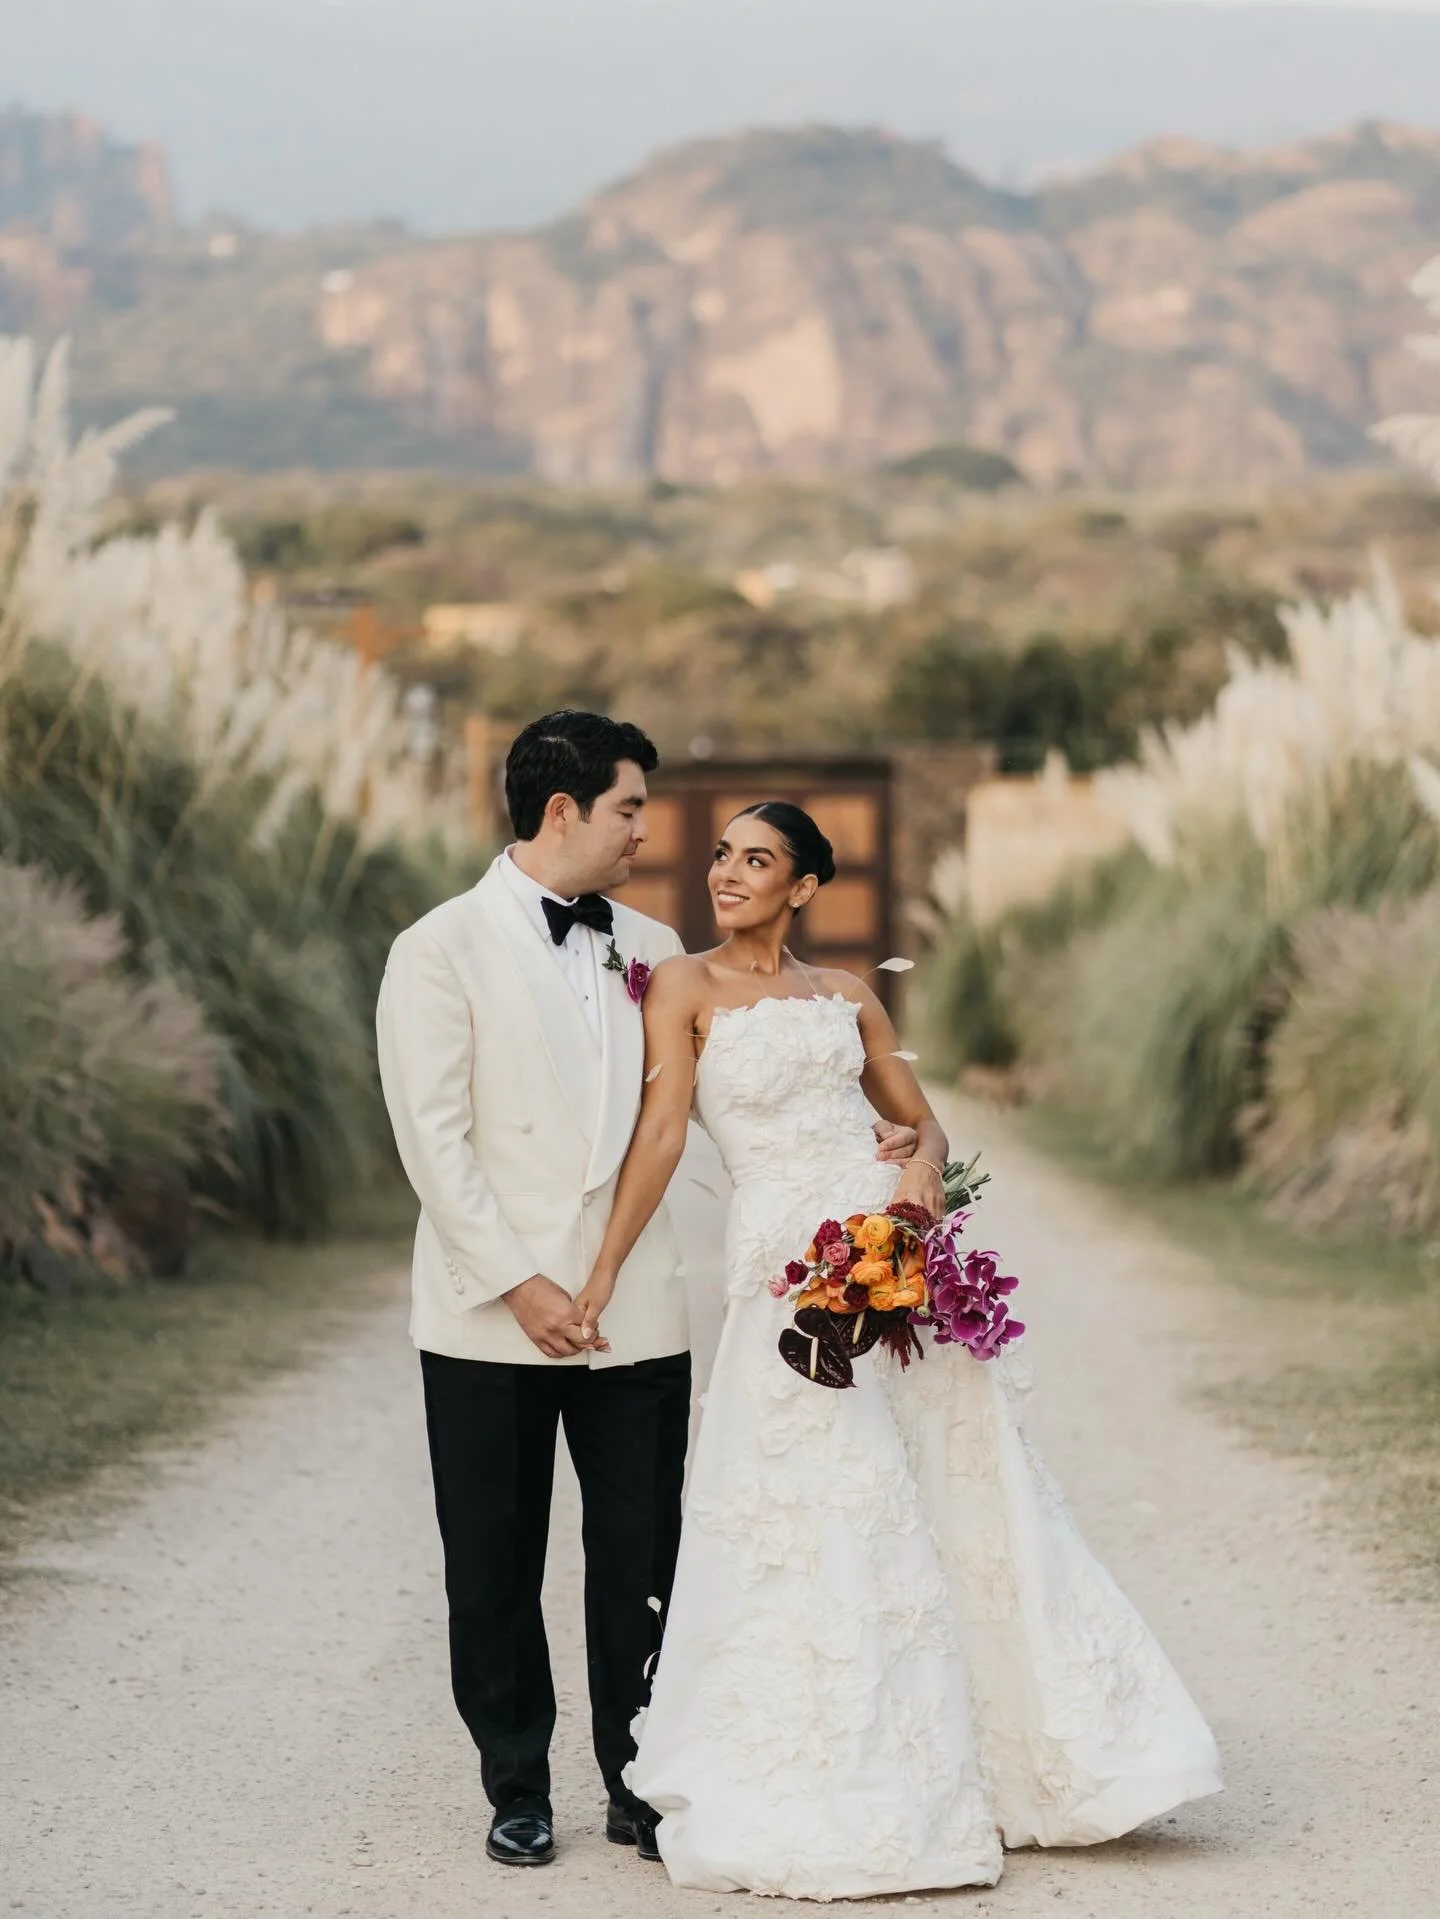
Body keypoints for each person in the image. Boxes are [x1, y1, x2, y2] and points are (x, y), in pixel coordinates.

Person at [573, 799, 1224, 1901]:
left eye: (757, 860)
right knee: (818, 1501)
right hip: (786, 1272)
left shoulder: (850, 995)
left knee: (951, 1495)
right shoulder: (683, 986)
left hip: (889, 1264)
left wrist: (919, 1170)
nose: (728, 873)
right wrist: (599, 1271)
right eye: (724, 856)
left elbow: (925, 1123)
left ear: (805, 885)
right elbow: (666, 1129)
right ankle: (838, 1752)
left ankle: (1003, 1746)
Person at [374, 714, 915, 1872]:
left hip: (639, 1310)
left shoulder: (655, 944)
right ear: (563, 810)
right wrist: (520, 1282)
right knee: (493, 1557)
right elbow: (433, 1140)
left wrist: (859, 1156)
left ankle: (639, 1774)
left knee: (644, 1550)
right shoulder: (437, 947)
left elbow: (691, 1121)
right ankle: (516, 1783)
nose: (648, 829)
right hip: (488, 1313)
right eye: (630, 806)